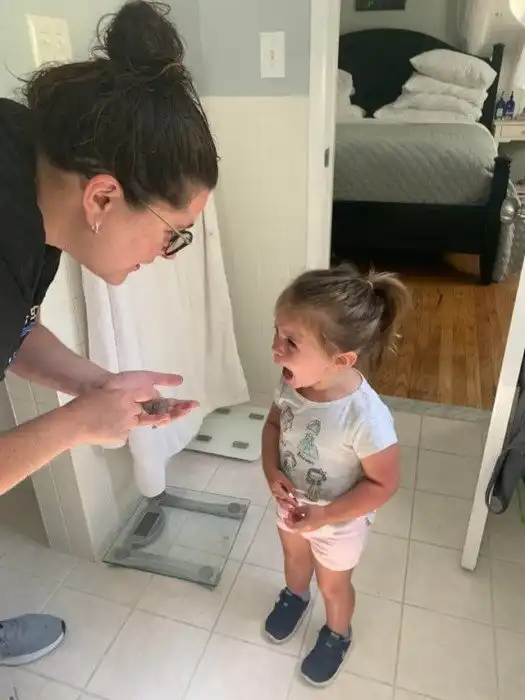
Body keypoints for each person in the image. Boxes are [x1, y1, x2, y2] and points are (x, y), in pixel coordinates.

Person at [0, 1, 218, 666]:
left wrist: (96, 385)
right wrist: (77, 424)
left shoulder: (27, 163)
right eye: (172, 233)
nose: (166, 253)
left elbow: (14, 327)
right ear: (101, 197)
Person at [261, 265, 409, 687]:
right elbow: (273, 425)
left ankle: (337, 634)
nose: (275, 349)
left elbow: (384, 484)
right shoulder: (291, 383)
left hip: (339, 522)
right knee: (293, 558)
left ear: (340, 360)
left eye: (291, 342)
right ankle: (295, 596)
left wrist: (325, 516)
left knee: (334, 586)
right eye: (276, 332)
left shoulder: (365, 418)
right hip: (292, 505)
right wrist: (271, 470)